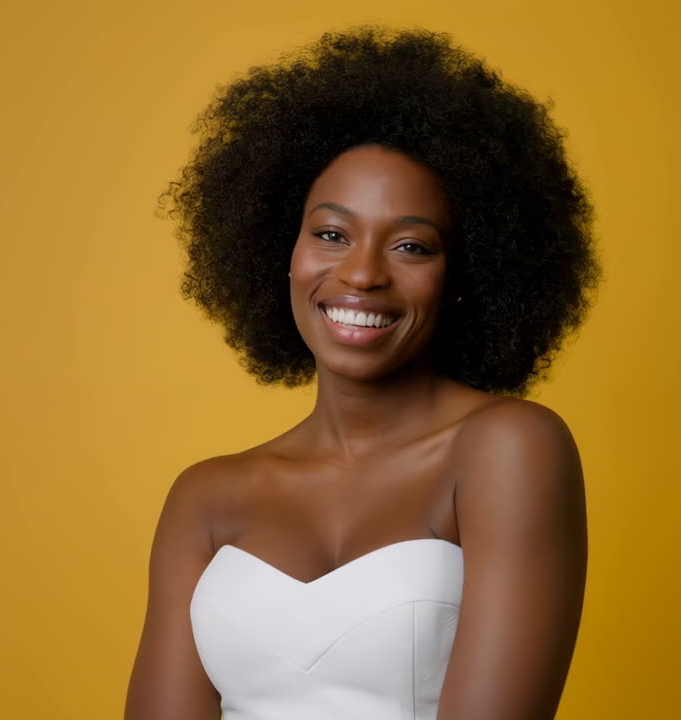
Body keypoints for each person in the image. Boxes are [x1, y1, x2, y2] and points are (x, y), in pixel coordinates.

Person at [125, 25, 599, 720]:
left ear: (465, 275)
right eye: (330, 233)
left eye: (411, 245)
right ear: (278, 252)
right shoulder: (204, 499)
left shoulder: (507, 448)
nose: (362, 273)